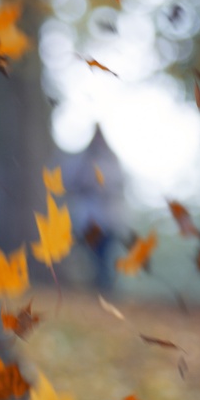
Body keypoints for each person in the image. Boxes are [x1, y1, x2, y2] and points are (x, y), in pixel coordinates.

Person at [63, 123, 126, 292]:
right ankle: (96, 287)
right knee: (93, 255)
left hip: (109, 218)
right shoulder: (82, 161)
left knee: (105, 255)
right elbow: (70, 183)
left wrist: (105, 189)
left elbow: (119, 185)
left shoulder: (113, 160)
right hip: (89, 217)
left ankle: (106, 289)